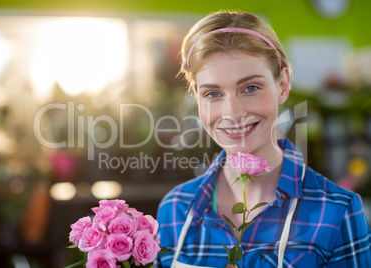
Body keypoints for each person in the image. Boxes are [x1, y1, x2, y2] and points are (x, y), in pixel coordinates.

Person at [154, 10, 371, 268]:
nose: (232, 113)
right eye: (213, 93)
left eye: (250, 88)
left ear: (283, 85)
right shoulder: (175, 209)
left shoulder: (338, 212)